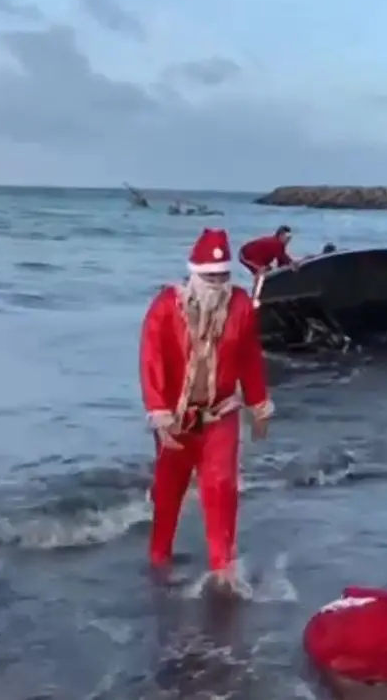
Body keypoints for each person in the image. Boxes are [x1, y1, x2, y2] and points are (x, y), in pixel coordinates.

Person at [139, 228, 274, 587]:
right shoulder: (167, 306)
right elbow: (150, 358)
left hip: (220, 413)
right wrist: (158, 411)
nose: (216, 283)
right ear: (194, 274)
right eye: (209, 277)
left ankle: (222, 568)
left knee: (221, 487)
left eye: (223, 276)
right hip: (178, 416)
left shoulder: (241, 306)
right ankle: (158, 558)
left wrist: (259, 405)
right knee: (169, 490)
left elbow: (249, 357)